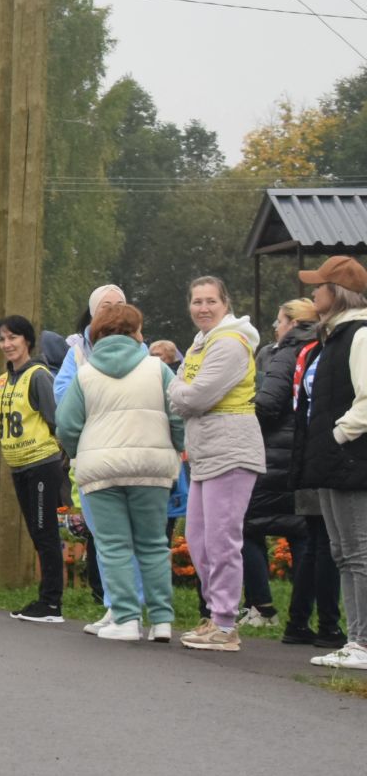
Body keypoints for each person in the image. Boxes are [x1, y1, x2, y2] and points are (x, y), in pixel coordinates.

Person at [57, 302, 185, 642]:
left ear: (96, 335)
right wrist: (174, 448)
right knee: (154, 545)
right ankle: (161, 621)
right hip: (151, 468)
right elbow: (178, 416)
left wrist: (79, 453)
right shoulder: (159, 369)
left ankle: (126, 620)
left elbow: (67, 425)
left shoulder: (84, 375)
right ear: (137, 333)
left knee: (113, 545)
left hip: (102, 469)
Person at [166, 276, 266, 652]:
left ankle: (226, 624)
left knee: (222, 539)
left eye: (211, 301)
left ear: (226, 304)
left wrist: (180, 394)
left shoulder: (229, 344)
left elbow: (195, 396)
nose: (203, 308)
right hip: (206, 452)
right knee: (199, 539)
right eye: (196, 301)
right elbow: (183, 392)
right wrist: (182, 394)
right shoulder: (199, 344)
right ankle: (215, 614)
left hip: (232, 449)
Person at [291, 256, 367, 670]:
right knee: (342, 552)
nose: (313, 292)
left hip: (352, 459)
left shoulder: (359, 335)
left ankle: (363, 641)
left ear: (336, 292)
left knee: (357, 552)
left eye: (319, 285)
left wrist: (337, 435)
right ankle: (356, 640)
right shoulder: (335, 336)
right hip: (334, 459)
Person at [241, 299, 317, 628]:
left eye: (279, 320)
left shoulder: (280, 353)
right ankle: (302, 614)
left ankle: (263, 607)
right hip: (307, 453)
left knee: (245, 526)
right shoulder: (323, 349)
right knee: (302, 533)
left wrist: (241, 409)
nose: (275, 327)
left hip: (272, 451)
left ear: (293, 323)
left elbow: (268, 402)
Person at [0, 315, 66, 623]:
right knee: (36, 532)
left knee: (44, 531)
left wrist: (63, 456)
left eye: (14, 338)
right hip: (19, 465)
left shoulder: (38, 375)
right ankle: (45, 598)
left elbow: (55, 418)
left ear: (27, 341)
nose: (8, 344)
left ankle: (51, 603)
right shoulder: (1, 380)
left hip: (41, 464)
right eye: (2, 339)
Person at [53, 284, 127, 403]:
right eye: (106, 306)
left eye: (120, 306)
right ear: (93, 313)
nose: (114, 311)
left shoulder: (139, 347)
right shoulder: (78, 351)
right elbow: (61, 394)